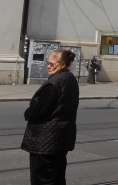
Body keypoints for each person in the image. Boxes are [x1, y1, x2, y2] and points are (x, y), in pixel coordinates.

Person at [22, 49, 79, 185]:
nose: (48, 66)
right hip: (60, 139)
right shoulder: (70, 79)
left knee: (43, 179)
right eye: (48, 63)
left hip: (45, 142)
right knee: (57, 177)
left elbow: (38, 110)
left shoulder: (53, 84)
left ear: (63, 65)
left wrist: (28, 113)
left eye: (52, 64)